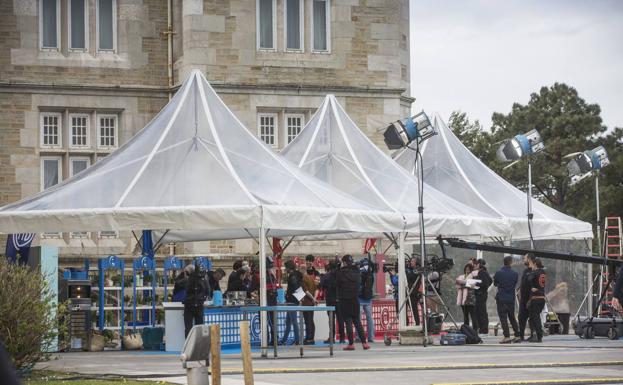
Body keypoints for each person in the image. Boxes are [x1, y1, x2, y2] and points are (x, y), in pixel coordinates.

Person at [336, 255, 370, 351]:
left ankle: (351, 344)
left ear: (345, 262)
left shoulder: (341, 272)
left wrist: (338, 268)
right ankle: (364, 343)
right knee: (357, 321)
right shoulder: (357, 272)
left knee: (348, 321)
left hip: (344, 299)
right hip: (355, 299)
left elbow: (336, 283)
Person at [494, 256, 520, 343]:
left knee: (503, 318)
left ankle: (507, 336)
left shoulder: (498, 273)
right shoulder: (515, 274)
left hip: (501, 298)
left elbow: (495, 284)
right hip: (511, 299)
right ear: (511, 262)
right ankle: (517, 335)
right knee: (512, 317)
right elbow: (514, 284)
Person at [320, 261, 345, 343]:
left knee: (331, 319)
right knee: (340, 319)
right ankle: (342, 338)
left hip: (330, 300)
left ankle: (332, 337)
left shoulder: (326, 276)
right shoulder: (341, 276)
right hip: (340, 300)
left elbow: (322, 286)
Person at [183, 264, 209, 337]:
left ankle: (188, 345)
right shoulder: (204, 279)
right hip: (199, 305)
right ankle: (199, 344)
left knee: (188, 327)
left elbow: (183, 287)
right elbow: (208, 291)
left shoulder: (187, 280)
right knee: (199, 326)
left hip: (189, 305)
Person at [280, 260, 302, 345]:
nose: (285, 269)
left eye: (286, 267)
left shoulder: (292, 276)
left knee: (293, 321)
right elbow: (297, 287)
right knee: (289, 321)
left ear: (289, 267)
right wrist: (300, 298)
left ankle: (297, 339)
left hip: (292, 300)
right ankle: (284, 340)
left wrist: (288, 295)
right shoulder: (297, 275)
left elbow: (295, 286)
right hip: (294, 300)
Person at [526, 258, 547, 343]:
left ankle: (539, 335)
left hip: (536, 298)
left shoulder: (535, 272)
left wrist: (531, 287)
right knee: (535, 316)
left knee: (535, 317)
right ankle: (536, 335)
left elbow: (528, 279)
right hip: (542, 297)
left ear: (535, 264)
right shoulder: (543, 272)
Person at [517, 253, 536, 341]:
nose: (523, 260)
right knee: (521, 318)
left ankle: (534, 335)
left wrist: (531, 298)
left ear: (529, 259)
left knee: (532, 318)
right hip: (523, 299)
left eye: (524, 258)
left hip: (531, 299)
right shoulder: (525, 271)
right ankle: (521, 335)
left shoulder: (535, 271)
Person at [456, 263, 479, 331]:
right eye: (466, 269)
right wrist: (466, 284)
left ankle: (475, 329)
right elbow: (457, 285)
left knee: (473, 315)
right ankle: (466, 329)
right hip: (463, 298)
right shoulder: (461, 276)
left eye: (468, 269)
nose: (467, 271)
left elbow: (475, 286)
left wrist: (464, 284)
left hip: (471, 298)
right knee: (465, 316)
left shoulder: (474, 276)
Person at [473, 259, 492, 335]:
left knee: (481, 312)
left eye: (476, 264)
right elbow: (490, 281)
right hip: (481, 294)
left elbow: (485, 283)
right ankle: (482, 329)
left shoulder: (482, 272)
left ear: (480, 264)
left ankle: (483, 329)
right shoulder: (483, 272)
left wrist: (475, 284)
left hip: (481, 294)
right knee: (480, 311)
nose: (475, 265)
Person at [359, 257, 375, 342]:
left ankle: (359, 337)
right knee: (370, 318)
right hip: (368, 298)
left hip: (360, 298)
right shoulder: (371, 273)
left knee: (359, 319)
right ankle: (371, 337)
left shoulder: (359, 272)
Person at [301, 267, 318, 345]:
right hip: (311, 303)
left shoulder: (303, 279)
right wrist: (314, 298)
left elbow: (306, 291)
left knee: (307, 321)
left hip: (306, 302)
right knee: (311, 320)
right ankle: (312, 338)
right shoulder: (311, 278)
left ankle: (308, 338)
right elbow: (317, 289)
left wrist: (312, 298)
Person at [405, 257, 422, 326]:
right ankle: (407, 324)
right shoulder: (411, 270)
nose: (410, 262)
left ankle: (417, 324)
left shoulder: (417, 270)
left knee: (414, 309)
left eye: (412, 261)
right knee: (407, 310)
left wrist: (406, 270)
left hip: (413, 293)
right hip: (409, 292)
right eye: (411, 261)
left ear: (416, 263)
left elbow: (409, 276)